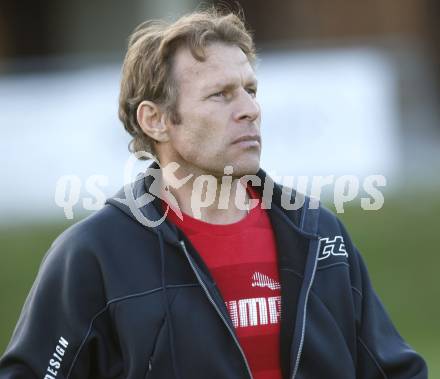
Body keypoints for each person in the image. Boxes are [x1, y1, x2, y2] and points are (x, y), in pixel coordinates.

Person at [0, 7, 428, 379]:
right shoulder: (93, 255)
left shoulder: (319, 236)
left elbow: (393, 369)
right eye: (220, 95)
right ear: (155, 120)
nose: (250, 109)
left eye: (250, 90)